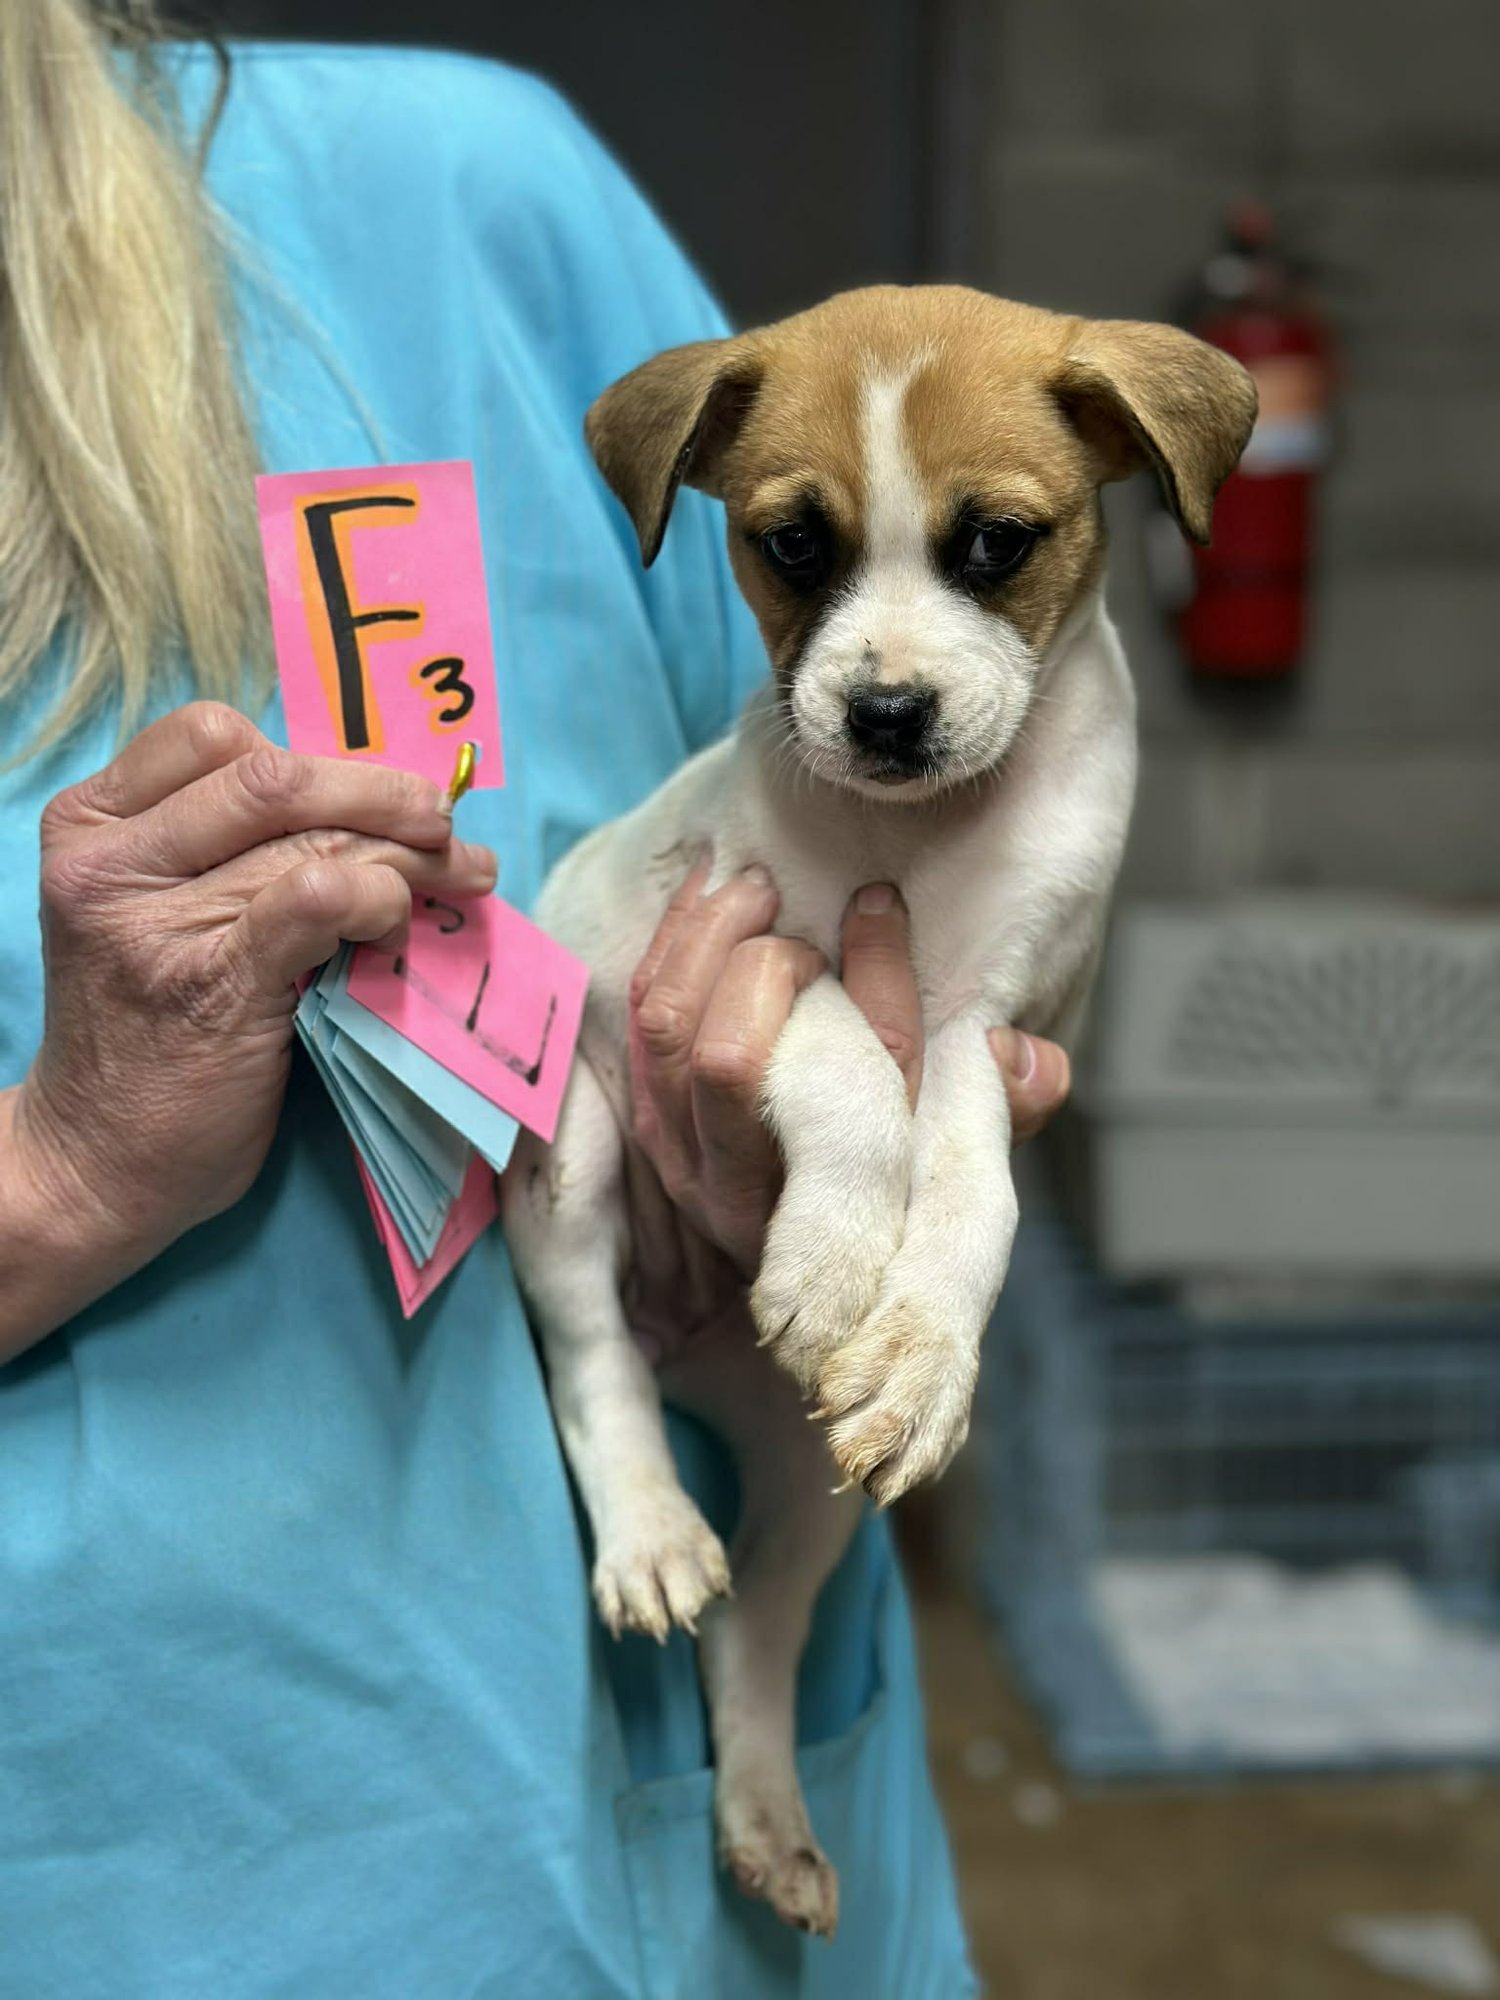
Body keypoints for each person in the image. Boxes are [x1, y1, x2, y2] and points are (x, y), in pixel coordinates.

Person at [0, 8, 1070, 1995]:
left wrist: (793, 1138)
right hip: (116, 1873)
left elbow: (832, 847)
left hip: (667, 1808)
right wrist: (51, 1177)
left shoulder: (468, 205)